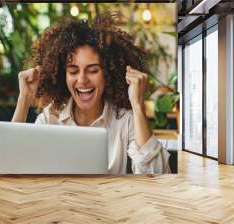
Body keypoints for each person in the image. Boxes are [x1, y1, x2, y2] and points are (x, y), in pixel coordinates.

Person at [11, 14, 170, 174]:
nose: (82, 80)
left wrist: (137, 104)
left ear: (107, 73)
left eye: (93, 70)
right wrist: (24, 100)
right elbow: (12, 169)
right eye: (73, 71)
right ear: (63, 74)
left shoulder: (125, 121)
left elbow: (156, 178)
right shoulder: (50, 118)